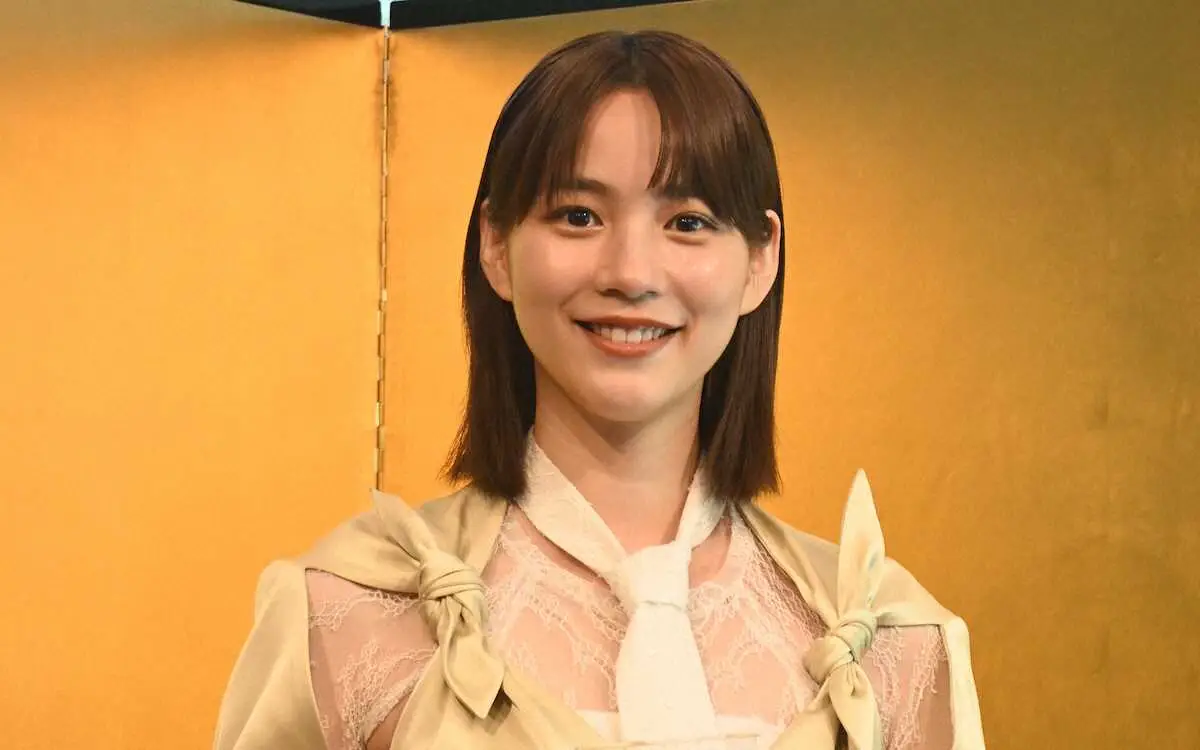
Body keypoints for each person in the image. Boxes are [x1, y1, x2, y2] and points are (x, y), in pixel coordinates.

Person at [213, 29, 985, 750]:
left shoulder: (897, 646)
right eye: (578, 216)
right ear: (496, 245)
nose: (630, 273)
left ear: (761, 259)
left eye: (687, 222)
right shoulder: (347, 615)